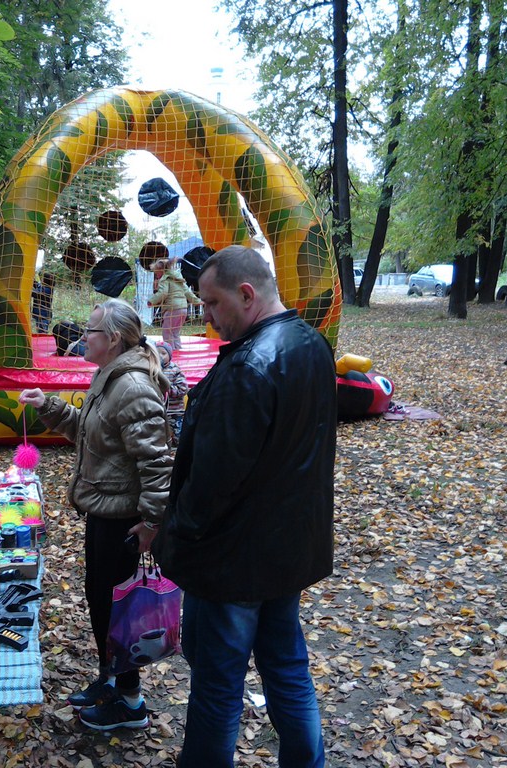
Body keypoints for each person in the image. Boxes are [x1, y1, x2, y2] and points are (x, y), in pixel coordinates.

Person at [152, 245, 335, 768]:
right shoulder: (312, 345)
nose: (205, 317)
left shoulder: (250, 365)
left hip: (233, 561)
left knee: (218, 686)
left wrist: (173, 539)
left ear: (247, 295)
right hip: (286, 550)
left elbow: (211, 482)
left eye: (211, 304)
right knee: (287, 668)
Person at [19, 299, 173, 731]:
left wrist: (151, 522)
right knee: (101, 604)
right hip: (103, 512)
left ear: (114, 339)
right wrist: (47, 406)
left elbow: (157, 464)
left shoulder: (133, 387)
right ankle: (111, 680)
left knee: (118, 612)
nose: (81, 337)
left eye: (90, 331)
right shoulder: (108, 378)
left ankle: (131, 703)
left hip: (123, 521)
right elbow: (89, 435)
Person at [147, 258, 201, 350]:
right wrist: (196, 301)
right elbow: (188, 292)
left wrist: (152, 301)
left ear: (161, 271)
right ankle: (178, 350)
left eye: (156, 273)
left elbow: (163, 293)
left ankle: (170, 352)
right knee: (175, 332)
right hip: (183, 309)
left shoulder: (164, 279)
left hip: (172, 309)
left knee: (167, 331)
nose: (156, 275)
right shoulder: (179, 279)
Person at [154, 341, 188, 446]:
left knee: (179, 435)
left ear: (170, 355)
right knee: (161, 435)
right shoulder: (153, 369)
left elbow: (183, 389)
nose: (160, 356)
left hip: (175, 411)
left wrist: (168, 389)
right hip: (159, 410)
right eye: (157, 353)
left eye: (163, 353)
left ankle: (179, 447)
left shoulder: (175, 370)